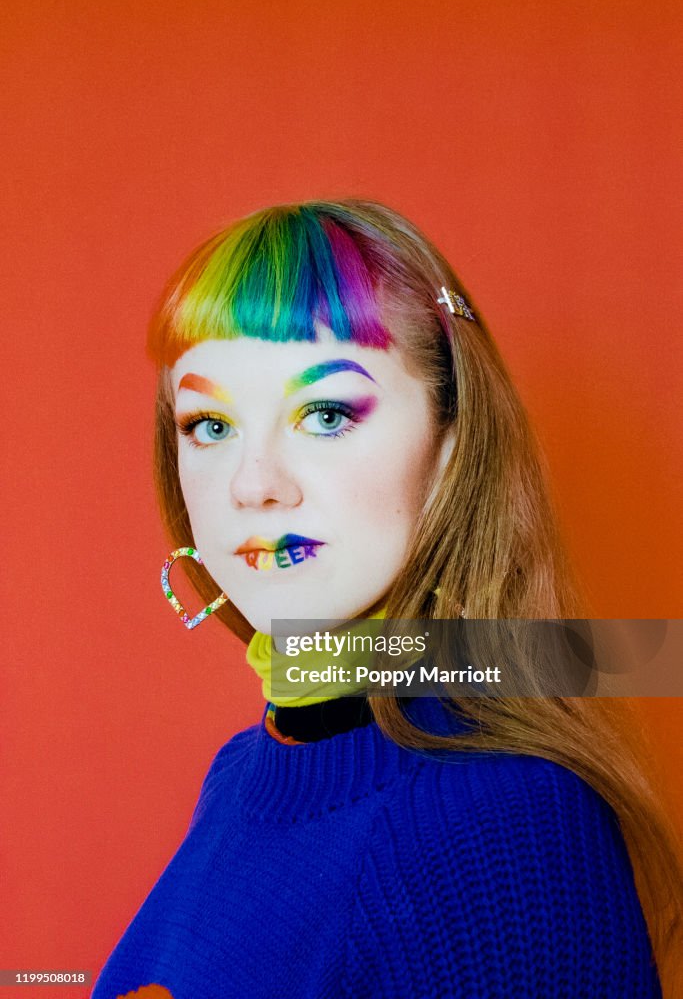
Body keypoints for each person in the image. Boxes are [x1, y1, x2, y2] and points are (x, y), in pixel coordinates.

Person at [92, 200, 681, 998]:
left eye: (325, 413)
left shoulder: (504, 821)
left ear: (450, 447)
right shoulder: (240, 773)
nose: (253, 484)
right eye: (209, 425)